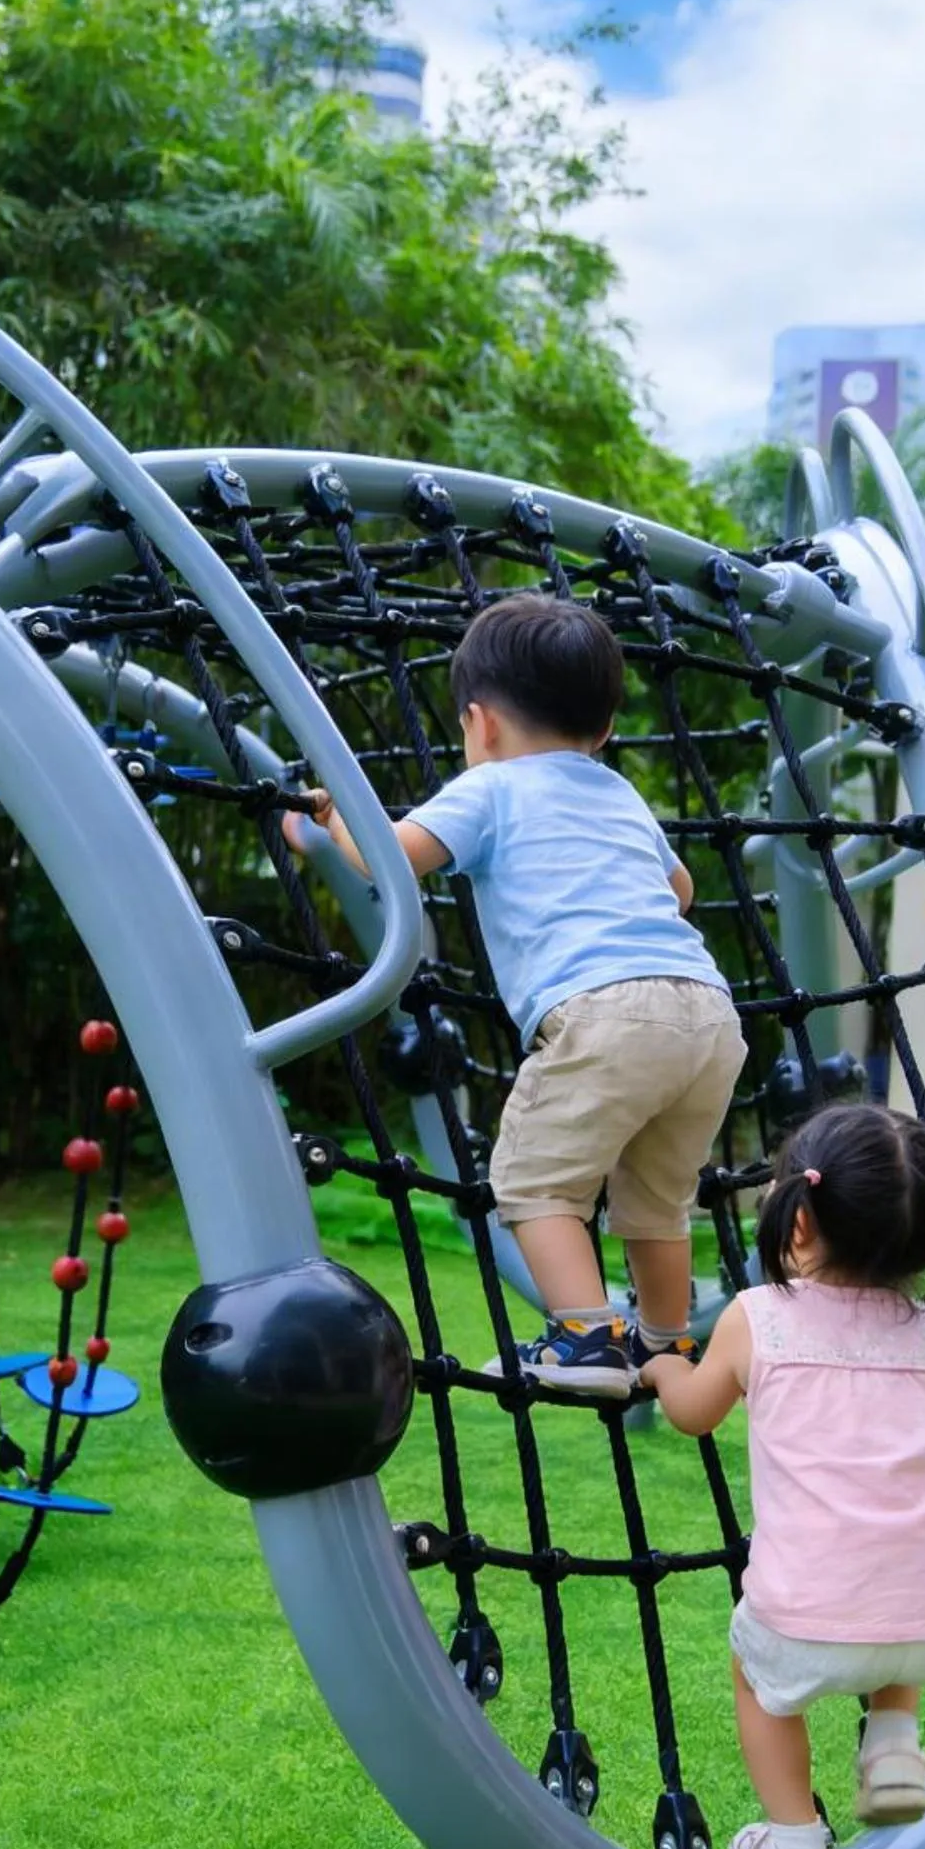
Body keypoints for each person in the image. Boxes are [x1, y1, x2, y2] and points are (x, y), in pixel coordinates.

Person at [291, 590, 745, 1394]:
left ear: (482, 724)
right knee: (659, 1201)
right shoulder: (617, 793)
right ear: (603, 729)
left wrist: (331, 824)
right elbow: (678, 891)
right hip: (706, 1010)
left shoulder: (492, 787)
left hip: (604, 1012)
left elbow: (392, 862)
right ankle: (666, 1347)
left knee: (534, 1184)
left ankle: (585, 1344)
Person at [642, 1102, 925, 1849]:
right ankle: (893, 1743)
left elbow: (694, 1413)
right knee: (896, 1559)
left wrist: (665, 1370)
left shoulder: (756, 1316)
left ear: (797, 1225)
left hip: (808, 1620)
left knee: (760, 1683)